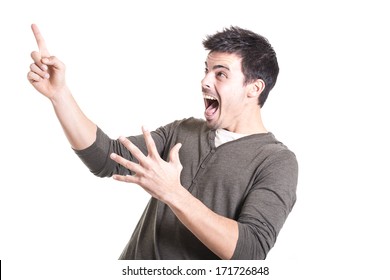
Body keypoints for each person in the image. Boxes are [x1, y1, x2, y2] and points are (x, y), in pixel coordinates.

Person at [27, 24, 298, 260]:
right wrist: (59, 94)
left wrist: (173, 193)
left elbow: (249, 251)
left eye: (220, 74)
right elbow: (104, 158)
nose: (204, 81)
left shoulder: (276, 162)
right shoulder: (183, 131)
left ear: (255, 88)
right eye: (206, 70)